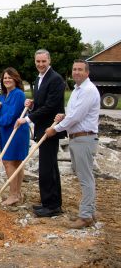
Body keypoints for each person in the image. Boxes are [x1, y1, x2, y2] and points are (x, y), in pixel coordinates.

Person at [45, 60, 100, 229]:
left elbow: (76, 117)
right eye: (74, 69)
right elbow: (73, 113)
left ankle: (85, 216)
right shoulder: (78, 90)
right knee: (83, 176)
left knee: (86, 178)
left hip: (84, 138)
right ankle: (90, 212)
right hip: (77, 138)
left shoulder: (88, 90)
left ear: (87, 72)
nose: (76, 72)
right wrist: (63, 116)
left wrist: (56, 129)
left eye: (80, 70)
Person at [16, 49, 66, 217]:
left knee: (47, 167)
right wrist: (32, 103)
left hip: (50, 129)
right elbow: (42, 102)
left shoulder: (56, 79)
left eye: (43, 61)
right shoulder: (39, 78)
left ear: (49, 61)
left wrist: (28, 118)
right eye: (38, 61)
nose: (40, 64)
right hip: (42, 128)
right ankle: (49, 202)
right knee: (48, 167)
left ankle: (52, 206)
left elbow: (51, 106)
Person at [0, 67, 30, 205]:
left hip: (16, 131)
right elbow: (0, 113)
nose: (7, 80)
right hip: (6, 131)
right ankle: (17, 193)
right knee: (15, 162)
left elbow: (11, 116)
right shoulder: (3, 95)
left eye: (9, 78)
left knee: (9, 161)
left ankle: (13, 194)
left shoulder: (18, 94)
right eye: (5, 78)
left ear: (15, 79)